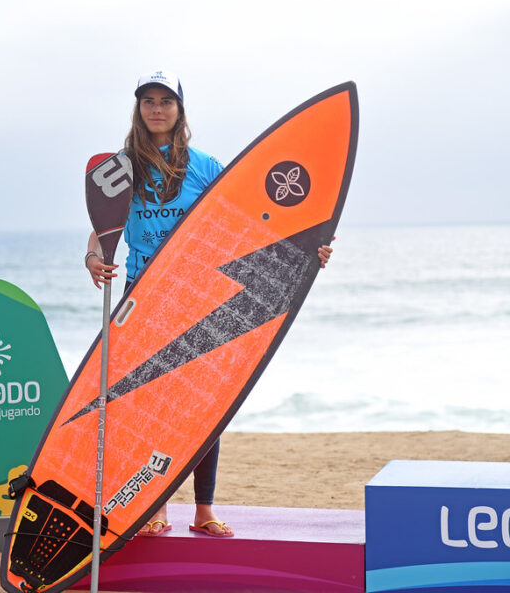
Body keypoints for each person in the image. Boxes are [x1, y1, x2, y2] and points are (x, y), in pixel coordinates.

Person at [84, 70, 334, 538]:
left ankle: (203, 509)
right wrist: (94, 258)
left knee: (204, 407)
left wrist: (307, 249)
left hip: (198, 294)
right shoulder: (122, 168)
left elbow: (247, 225)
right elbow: (104, 227)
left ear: (180, 109)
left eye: (165, 101)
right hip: (143, 294)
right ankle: (153, 507)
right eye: (148, 101)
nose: (156, 109)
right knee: (147, 405)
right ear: (138, 109)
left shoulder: (206, 166)